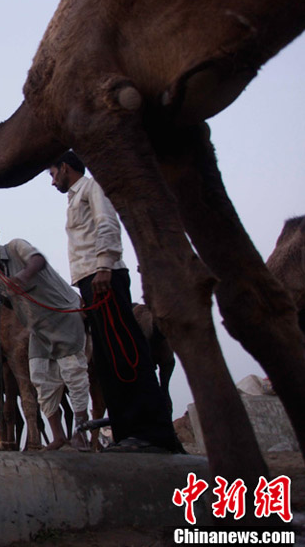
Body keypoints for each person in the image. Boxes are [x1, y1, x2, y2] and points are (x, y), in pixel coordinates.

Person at [49, 150, 181, 453]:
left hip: (103, 276)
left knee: (126, 351)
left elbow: (107, 222)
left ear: (65, 167)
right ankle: (127, 433)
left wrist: (106, 265)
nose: (52, 180)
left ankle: (151, 433)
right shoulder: (73, 198)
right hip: (89, 280)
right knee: (107, 360)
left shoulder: (93, 187)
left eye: (53, 173)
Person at [0, 224, 90, 451]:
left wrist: (21, 276)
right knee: (39, 378)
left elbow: (38, 260)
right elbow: (14, 304)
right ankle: (59, 436)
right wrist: (1, 295)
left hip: (62, 313)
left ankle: (81, 433)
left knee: (73, 372)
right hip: (37, 328)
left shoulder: (16, 246)